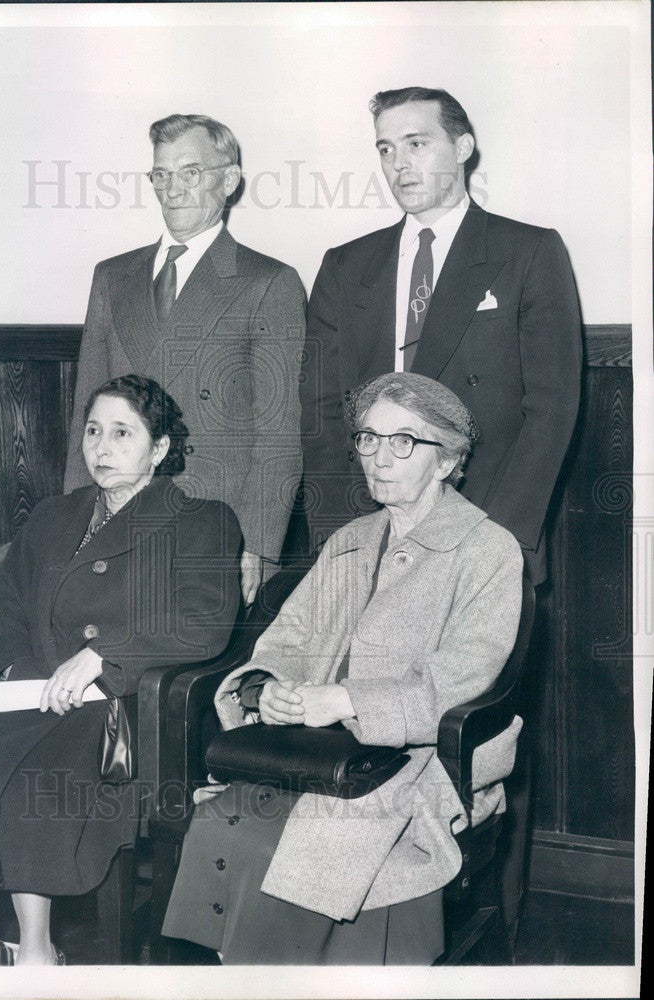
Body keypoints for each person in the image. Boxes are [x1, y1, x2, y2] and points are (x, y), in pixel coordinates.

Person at [0, 375, 241, 965]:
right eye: (94, 431)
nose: (103, 447)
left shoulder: (199, 521)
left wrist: (105, 655)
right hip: (27, 691)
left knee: (31, 795)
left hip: (116, 709)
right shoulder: (54, 515)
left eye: (124, 433)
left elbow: (205, 622)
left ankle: (39, 951)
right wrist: (13, 673)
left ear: (162, 449)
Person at [162, 372, 524, 964]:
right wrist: (267, 689)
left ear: (447, 460)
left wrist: (350, 700)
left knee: (316, 843)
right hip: (318, 752)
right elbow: (292, 638)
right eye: (368, 439)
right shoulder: (351, 541)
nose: (379, 458)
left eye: (404, 441)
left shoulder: (487, 550)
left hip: (427, 761)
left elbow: (466, 678)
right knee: (230, 817)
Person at [300, 86, 582, 587]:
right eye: (386, 149)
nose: (399, 164)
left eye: (416, 143)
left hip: (483, 526)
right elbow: (320, 411)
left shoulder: (528, 251)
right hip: (368, 535)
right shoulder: (344, 266)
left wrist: (496, 541)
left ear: (463, 147)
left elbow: (551, 409)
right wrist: (336, 537)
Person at [65, 113, 306, 605]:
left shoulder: (269, 282)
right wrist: (75, 518)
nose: (172, 188)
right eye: (161, 174)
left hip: (211, 523)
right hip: (116, 513)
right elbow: (84, 419)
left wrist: (258, 545)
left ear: (229, 180)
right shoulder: (113, 277)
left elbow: (279, 433)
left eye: (190, 172)